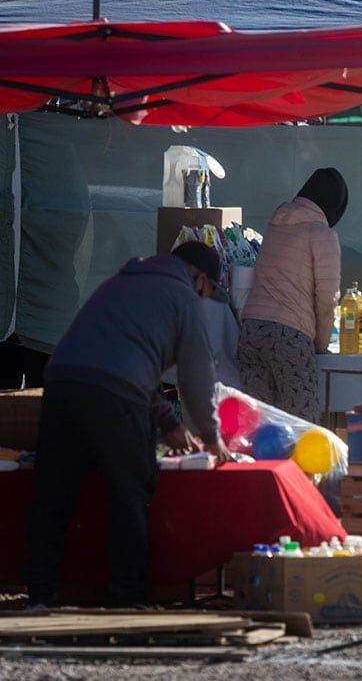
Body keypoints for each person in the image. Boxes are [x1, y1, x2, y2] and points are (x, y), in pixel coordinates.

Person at [25, 242, 229, 608]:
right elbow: (197, 378)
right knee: (130, 494)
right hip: (115, 397)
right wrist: (212, 438)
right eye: (209, 291)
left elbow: (121, 360)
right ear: (199, 279)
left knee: (52, 496)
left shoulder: (121, 282)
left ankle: (38, 595)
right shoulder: (184, 298)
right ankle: (128, 598)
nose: (205, 299)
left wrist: (167, 423)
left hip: (61, 384)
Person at [239, 168, 347, 422]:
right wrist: (320, 345)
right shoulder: (322, 234)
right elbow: (327, 299)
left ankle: (255, 464)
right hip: (289, 338)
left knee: (258, 426)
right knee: (300, 426)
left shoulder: (276, 223)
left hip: (251, 332)